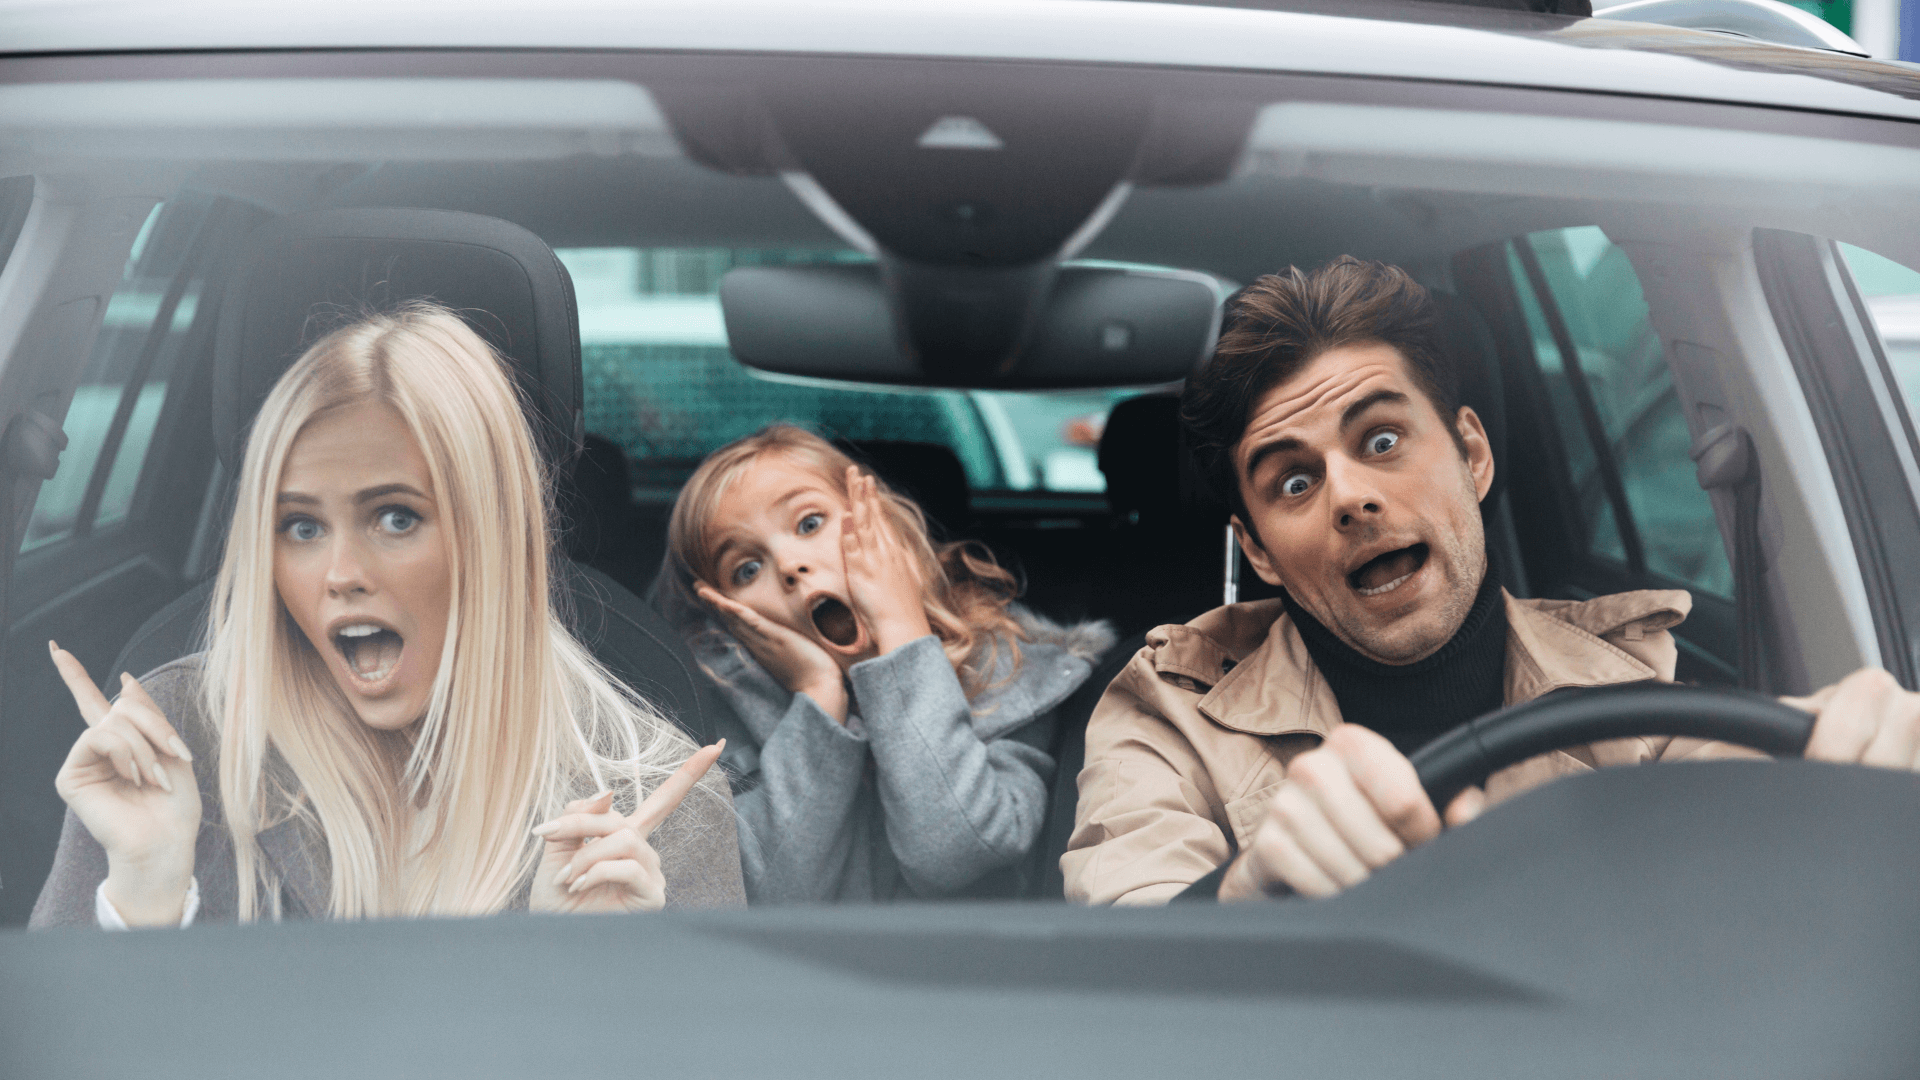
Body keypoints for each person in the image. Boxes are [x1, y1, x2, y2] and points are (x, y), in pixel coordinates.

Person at [1062, 256, 1920, 905]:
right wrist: (1251, 888)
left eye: (1383, 441)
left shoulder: (1637, 684)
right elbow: (1114, 964)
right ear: (1258, 553)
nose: (1352, 495)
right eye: (1294, 481)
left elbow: (1734, 825)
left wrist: (1838, 774)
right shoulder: (1168, 714)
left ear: (1472, 453)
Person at [31, 303, 744, 928]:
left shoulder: (657, 815)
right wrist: (142, 904)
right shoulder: (168, 746)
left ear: (492, 533)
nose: (340, 575)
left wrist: (572, 977)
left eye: (395, 517)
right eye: (301, 528)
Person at [658, 425, 1113, 902]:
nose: (790, 565)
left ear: (884, 530)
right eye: (747, 570)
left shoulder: (1008, 674)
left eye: (810, 524)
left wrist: (901, 634)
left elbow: (956, 855)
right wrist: (818, 696)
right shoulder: (713, 732)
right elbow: (762, 897)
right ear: (728, 616)